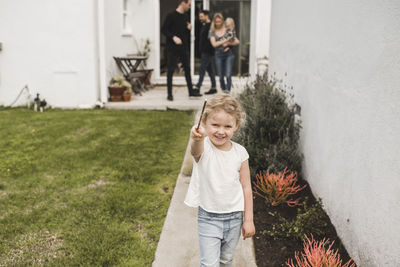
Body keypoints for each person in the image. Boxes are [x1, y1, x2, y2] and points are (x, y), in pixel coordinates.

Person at [185, 94, 255, 267]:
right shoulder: (204, 147)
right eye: (215, 125)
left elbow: (246, 187)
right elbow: (195, 151)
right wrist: (196, 138)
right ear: (204, 122)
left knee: (226, 261)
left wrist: (248, 220)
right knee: (209, 264)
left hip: (235, 218)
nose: (221, 131)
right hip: (208, 218)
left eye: (227, 126)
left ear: (236, 126)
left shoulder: (240, 153)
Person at [161, 0, 202, 101]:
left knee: (187, 69)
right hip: (172, 48)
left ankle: (191, 92)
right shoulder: (171, 15)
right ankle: (169, 94)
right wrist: (173, 37)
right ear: (183, 3)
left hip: (183, 48)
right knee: (170, 70)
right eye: (189, 5)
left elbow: (184, 34)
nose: (190, 7)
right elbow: (164, 30)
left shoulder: (185, 17)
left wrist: (189, 29)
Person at [209, 14, 240, 93]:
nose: (218, 23)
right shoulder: (212, 32)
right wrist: (225, 41)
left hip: (228, 54)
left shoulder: (227, 30)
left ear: (222, 21)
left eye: (219, 21)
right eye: (216, 22)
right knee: (220, 76)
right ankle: (224, 90)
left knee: (228, 74)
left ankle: (228, 91)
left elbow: (237, 41)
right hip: (218, 54)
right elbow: (214, 44)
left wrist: (228, 44)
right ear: (214, 22)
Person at [193, 10, 217, 95]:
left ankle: (197, 87)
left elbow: (212, 40)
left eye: (201, 16)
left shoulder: (211, 26)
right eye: (199, 17)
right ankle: (214, 87)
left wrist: (207, 50)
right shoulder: (204, 25)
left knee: (202, 69)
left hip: (207, 52)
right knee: (210, 70)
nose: (200, 18)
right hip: (204, 51)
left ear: (206, 16)